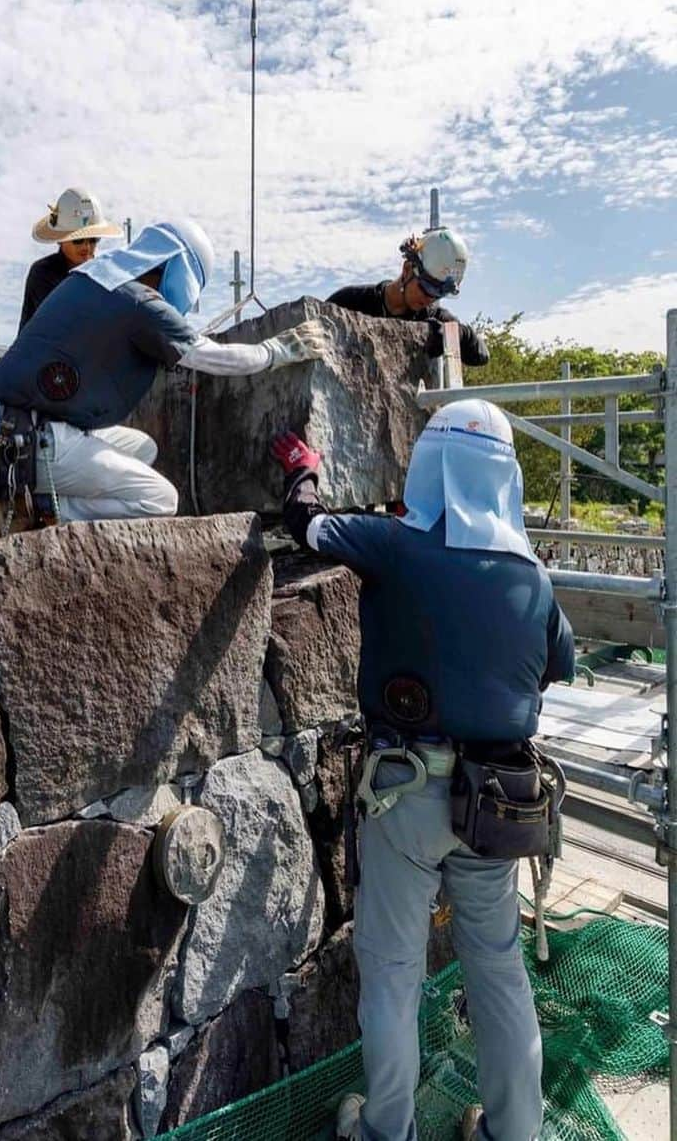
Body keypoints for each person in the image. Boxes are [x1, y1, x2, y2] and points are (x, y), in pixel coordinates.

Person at [270, 400, 575, 1141]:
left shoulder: (397, 545)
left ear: (430, 466)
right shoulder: (531, 574)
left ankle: (387, 1127)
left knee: (394, 970)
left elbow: (305, 525)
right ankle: (513, 1131)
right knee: (498, 969)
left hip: (407, 794)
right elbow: (558, 663)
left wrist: (302, 472)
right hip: (497, 804)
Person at [0, 219, 328, 523]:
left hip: (5, 431)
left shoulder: (90, 278)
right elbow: (212, 357)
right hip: (32, 445)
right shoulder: (140, 303)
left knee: (143, 447)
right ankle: (41, 510)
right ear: (178, 269)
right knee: (161, 499)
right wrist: (275, 351)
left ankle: (45, 497)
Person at [327, 226, 490, 366]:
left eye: (439, 294)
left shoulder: (432, 317)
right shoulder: (350, 302)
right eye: (426, 288)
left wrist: (457, 334)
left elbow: (481, 355)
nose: (429, 299)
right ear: (407, 270)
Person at [19, 187, 124, 329]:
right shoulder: (43, 273)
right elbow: (61, 323)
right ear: (60, 239)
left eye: (93, 239)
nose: (86, 247)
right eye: (78, 240)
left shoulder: (102, 274)